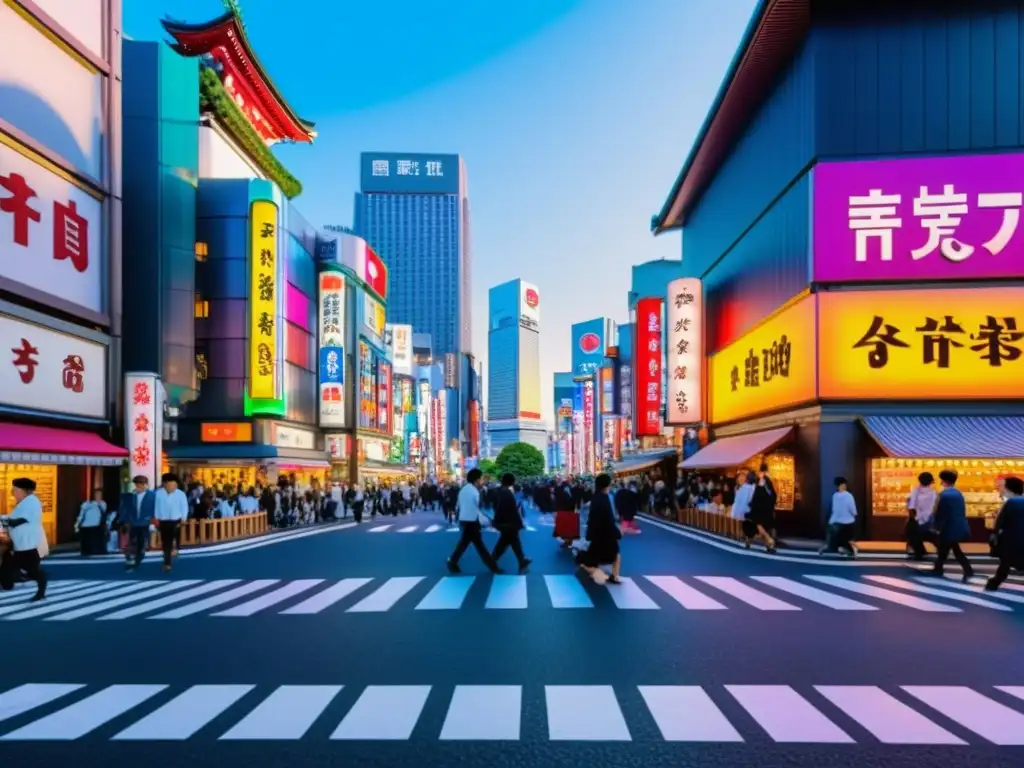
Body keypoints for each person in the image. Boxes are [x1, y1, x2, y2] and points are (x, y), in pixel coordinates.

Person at [0, 477, 47, 601]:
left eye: (15, 490)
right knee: (8, 565)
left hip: (28, 544)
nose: (13, 493)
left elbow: (19, 520)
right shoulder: (23, 503)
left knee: (32, 571)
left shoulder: (32, 502)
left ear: (23, 491)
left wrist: (5, 520)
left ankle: (41, 589)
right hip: (20, 544)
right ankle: (8, 583)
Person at [447, 468, 501, 574]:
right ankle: (494, 567)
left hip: (464, 520)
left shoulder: (464, 489)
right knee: (480, 546)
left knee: (465, 544)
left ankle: (452, 561)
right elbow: (477, 509)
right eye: (481, 479)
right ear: (476, 480)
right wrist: (490, 521)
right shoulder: (474, 492)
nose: (482, 481)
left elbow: (460, 506)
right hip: (472, 521)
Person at [577, 473, 622, 584]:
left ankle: (598, 573)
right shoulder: (605, 498)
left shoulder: (596, 498)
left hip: (597, 536)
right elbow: (609, 519)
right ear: (607, 485)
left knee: (591, 560)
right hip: (607, 535)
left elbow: (591, 519)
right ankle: (613, 576)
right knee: (616, 555)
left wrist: (589, 534)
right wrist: (617, 532)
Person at [931, 469, 974, 581]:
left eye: (941, 480)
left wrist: (936, 528)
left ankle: (939, 568)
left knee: (948, 549)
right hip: (959, 525)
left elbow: (941, 514)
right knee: (951, 549)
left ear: (944, 481)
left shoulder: (944, 495)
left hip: (948, 527)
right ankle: (940, 567)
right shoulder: (958, 493)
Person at [986, 475, 1024, 591]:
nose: (1001, 489)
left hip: (1011, 540)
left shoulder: (1011, 502)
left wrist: (994, 534)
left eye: (1003, 486)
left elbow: (1000, 522)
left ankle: (993, 584)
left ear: (1008, 489)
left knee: (1005, 565)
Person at [491, 473, 531, 572]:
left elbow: (497, 507)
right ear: (510, 481)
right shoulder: (506, 492)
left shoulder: (500, 491)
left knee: (513, 541)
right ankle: (492, 561)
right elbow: (510, 509)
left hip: (506, 522)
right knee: (505, 542)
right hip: (509, 522)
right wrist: (519, 522)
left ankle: (522, 560)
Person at [118, 475, 157, 570]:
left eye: (140, 485)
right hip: (134, 523)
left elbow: (155, 510)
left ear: (145, 485)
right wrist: (123, 521)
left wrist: (153, 523)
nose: (138, 487)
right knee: (133, 542)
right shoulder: (132, 496)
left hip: (145, 523)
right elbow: (127, 510)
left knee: (142, 543)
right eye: (137, 485)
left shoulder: (152, 496)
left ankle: (138, 559)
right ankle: (133, 560)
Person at [154, 472, 189, 572]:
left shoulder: (180, 494)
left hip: (176, 520)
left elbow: (184, 507)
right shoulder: (158, 494)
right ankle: (167, 562)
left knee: (173, 536)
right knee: (166, 542)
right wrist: (156, 518)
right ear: (165, 483)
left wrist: (184, 518)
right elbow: (156, 507)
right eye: (171, 484)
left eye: (175, 484)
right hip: (163, 520)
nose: (173, 486)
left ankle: (173, 548)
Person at [820, 476, 858, 557]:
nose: (845, 486)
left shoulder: (835, 496)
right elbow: (852, 508)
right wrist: (854, 514)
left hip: (838, 521)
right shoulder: (848, 496)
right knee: (845, 538)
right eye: (844, 484)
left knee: (838, 537)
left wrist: (831, 520)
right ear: (842, 485)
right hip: (848, 521)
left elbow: (835, 510)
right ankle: (850, 550)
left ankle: (847, 550)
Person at [906, 472, 937, 560]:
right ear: (931, 482)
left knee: (912, 535)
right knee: (931, 536)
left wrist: (912, 519)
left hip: (918, 519)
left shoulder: (915, 491)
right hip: (930, 519)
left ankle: (918, 553)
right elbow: (935, 507)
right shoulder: (933, 493)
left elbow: (911, 507)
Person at [75, 488, 107, 556]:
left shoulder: (103, 504)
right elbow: (81, 515)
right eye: (97, 494)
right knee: (86, 541)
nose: (99, 496)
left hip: (97, 526)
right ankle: (85, 552)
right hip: (86, 526)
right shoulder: (87, 504)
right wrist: (77, 525)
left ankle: (97, 551)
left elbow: (103, 514)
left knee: (97, 541)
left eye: (100, 495)